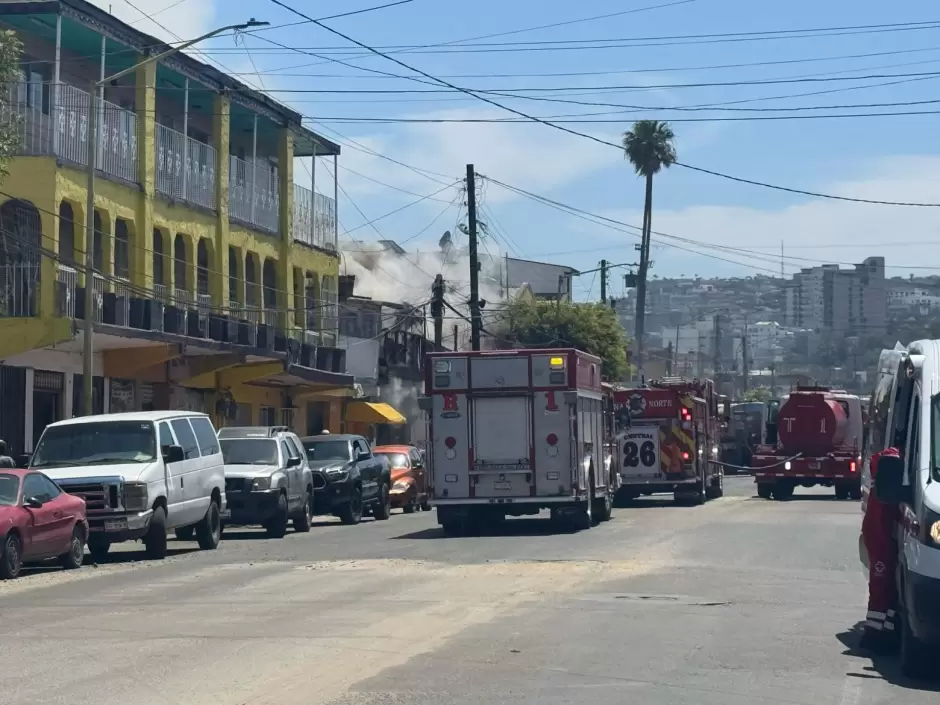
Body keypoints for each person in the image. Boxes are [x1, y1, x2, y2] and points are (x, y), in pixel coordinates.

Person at [859, 446, 901, 652]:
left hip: (881, 534)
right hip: (880, 536)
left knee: (887, 586)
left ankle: (886, 629)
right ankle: (874, 634)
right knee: (881, 584)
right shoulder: (889, 465)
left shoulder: (884, 469)